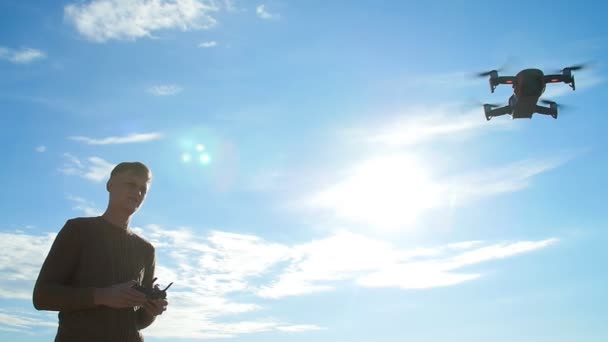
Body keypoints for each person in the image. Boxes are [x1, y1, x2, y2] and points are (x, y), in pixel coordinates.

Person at [33, 161, 169, 341]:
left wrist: (152, 310)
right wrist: (102, 296)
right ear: (110, 185)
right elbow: (42, 297)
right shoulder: (78, 230)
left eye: (143, 190)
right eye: (131, 184)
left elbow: (136, 321)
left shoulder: (146, 250)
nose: (137, 193)